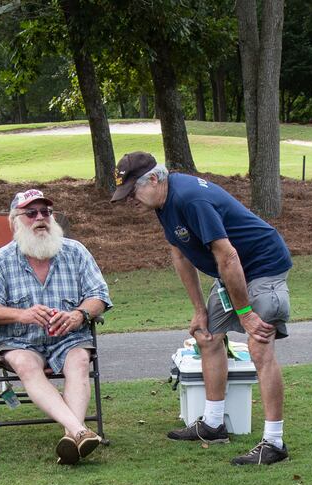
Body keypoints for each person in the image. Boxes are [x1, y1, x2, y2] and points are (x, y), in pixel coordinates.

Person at [111, 151, 293, 465]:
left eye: (133, 192)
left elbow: (228, 256)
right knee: (206, 335)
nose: (131, 201)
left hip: (262, 267)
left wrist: (246, 313)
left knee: (259, 345)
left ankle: (274, 443)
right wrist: (199, 309)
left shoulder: (190, 199)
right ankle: (213, 424)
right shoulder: (163, 202)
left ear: (154, 179)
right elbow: (180, 254)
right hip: (232, 271)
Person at [0, 189, 111, 464]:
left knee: (80, 360)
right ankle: (79, 430)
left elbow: (99, 296)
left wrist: (79, 315)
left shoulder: (75, 252)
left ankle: (73, 436)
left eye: (46, 212)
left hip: (68, 338)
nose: (40, 218)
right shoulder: (1, 260)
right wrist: (22, 315)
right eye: (31, 213)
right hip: (19, 341)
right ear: (15, 221)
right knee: (26, 364)